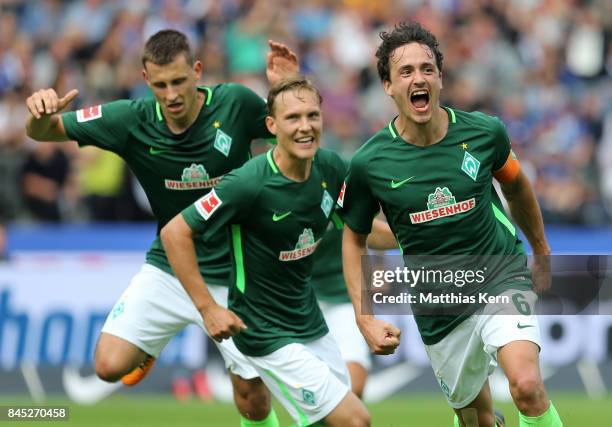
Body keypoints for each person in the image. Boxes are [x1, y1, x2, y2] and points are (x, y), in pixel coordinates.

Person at [25, 29, 299, 427]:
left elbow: (297, 134)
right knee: (107, 366)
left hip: (237, 274)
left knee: (253, 403)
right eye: (160, 85)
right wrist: (39, 115)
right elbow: (44, 132)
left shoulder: (235, 104)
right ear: (145, 80)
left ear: (197, 71)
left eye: (179, 81)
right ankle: (148, 346)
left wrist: (289, 86)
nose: (171, 95)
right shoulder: (129, 119)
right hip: (170, 268)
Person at [341, 22, 563, 427]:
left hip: (499, 273)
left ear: (440, 77)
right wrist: (364, 317)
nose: (418, 78)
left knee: (527, 385)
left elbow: (517, 187)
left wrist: (541, 248)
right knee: (474, 420)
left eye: (426, 68)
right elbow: (353, 238)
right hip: (438, 302)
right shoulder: (369, 163)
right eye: (405, 72)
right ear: (388, 86)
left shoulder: (484, 133)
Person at [160, 76, 371, 427]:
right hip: (264, 330)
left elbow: (358, 229)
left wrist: (413, 231)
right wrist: (207, 307)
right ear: (272, 126)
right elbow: (175, 232)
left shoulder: (331, 167)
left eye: (312, 116)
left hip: (309, 322)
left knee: (331, 420)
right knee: (355, 420)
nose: (305, 127)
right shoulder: (248, 183)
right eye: (293, 118)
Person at [311, 218, 397, 398]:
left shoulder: (340, 191)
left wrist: (423, 234)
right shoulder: (267, 194)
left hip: (341, 296)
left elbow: (364, 227)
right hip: (291, 301)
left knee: (353, 390)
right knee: (253, 397)